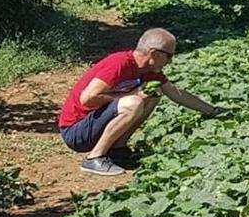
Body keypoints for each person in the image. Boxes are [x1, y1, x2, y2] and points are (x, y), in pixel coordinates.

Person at [58, 27, 223, 176]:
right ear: (154, 54)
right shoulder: (119, 63)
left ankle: (117, 150)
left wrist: (213, 110)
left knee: (153, 95)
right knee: (134, 102)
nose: (170, 61)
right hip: (76, 131)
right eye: (169, 56)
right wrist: (130, 95)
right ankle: (94, 157)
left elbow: (176, 93)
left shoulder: (149, 71)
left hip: (96, 125)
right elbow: (87, 99)